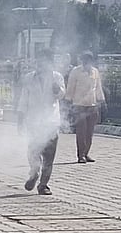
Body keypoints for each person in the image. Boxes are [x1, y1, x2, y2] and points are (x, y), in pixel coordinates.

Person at [18, 49, 65, 195]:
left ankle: (43, 184)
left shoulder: (57, 77)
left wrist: (57, 90)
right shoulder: (29, 78)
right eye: (39, 60)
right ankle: (34, 173)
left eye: (45, 60)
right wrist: (20, 119)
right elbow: (23, 99)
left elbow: (62, 94)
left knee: (49, 155)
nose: (41, 64)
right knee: (32, 151)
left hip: (50, 121)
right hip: (33, 120)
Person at [66, 52, 105, 163]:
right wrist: (68, 101)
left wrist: (101, 100)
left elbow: (97, 87)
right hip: (79, 106)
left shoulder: (95, 72)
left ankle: (86, 153)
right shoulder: (76, 72)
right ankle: (80, 155)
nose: (86, 63)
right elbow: (71, 87)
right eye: (85, 60)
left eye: (89, 60)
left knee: (89, 132)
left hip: (92, 105)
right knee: (81, 132)